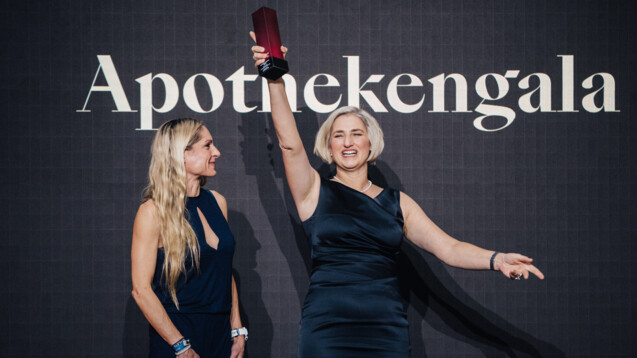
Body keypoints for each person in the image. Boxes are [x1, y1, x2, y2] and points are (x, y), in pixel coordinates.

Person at [250, 34, 545, 357]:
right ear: (329, 147)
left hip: (385, 329)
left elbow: (448, 248)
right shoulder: (313, 191)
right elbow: (290, 145)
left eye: (356, 134)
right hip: (327, 328)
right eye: (339, 135)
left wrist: (496, 259)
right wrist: (274, 79)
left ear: (370, 143)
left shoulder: (398, 203)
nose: (348, 142)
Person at [131, 118, 247, 358]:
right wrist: (180, 345)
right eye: (208, 145)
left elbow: (224, 271)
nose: (217, 152)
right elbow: (141, 290)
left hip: (220, 335)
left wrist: (237, 328)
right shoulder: (153, 211)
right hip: (177, 336)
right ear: (181, 153)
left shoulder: (217, 201)